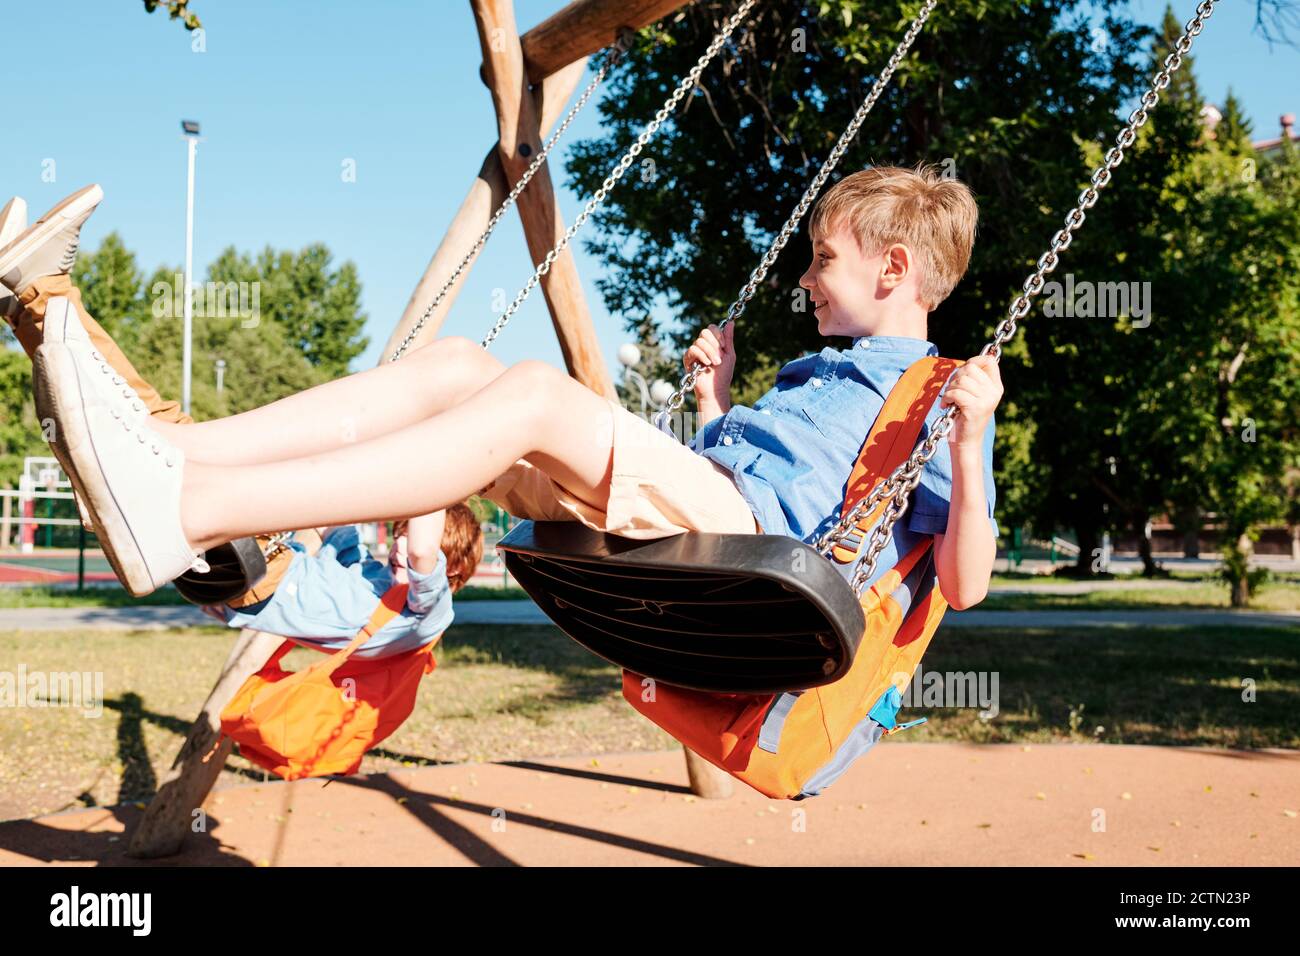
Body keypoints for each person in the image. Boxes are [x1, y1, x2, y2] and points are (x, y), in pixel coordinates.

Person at [14, 165, 1001, 612]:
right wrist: (715, 401)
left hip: (764, 544)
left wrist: (967, 442)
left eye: (822, 259)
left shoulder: (939, 390)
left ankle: (193, 506)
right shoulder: (815, 367)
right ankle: (180, 452)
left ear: (894, 268)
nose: (807, 277)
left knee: (533, 392)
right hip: (709, 507)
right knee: (453, 368)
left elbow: (963, 585)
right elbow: (699, 481)